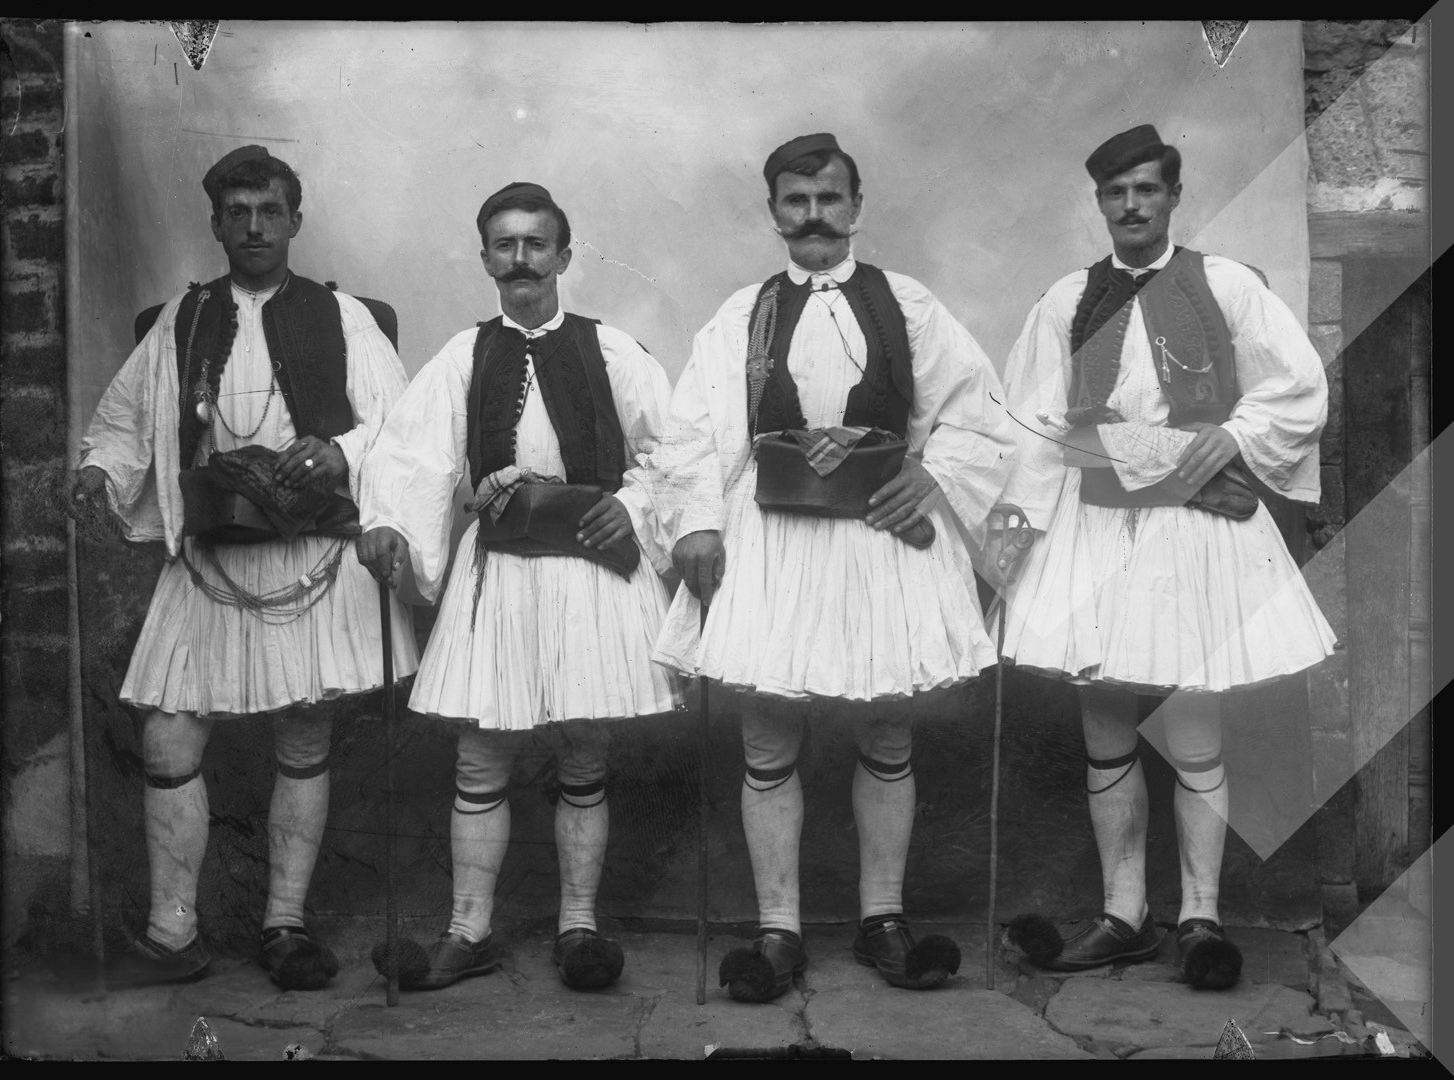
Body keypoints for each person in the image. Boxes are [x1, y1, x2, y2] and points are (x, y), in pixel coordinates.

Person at [652, 133, 1015, 1002]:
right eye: (796, 200)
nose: (813, 215)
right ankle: (777, 930)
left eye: (828, 198)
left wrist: (933, 473)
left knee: (886, 727)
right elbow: (692, 429)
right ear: (774, 212)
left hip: (877, 536)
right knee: (768, 728)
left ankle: (882, 919)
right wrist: (696, 523)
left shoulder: (908, 304)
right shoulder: (742, 314)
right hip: (773, 536)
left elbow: (977, 408)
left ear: (856, 206)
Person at [996, 125, 1336, 989]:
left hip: (1193, 531)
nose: (1132, 205)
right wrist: (1007, 546)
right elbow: (1031, 424)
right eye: (1117, 193)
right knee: (1106, 721)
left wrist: (1233, 435)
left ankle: (1199, 916)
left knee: (1191, 725)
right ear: (1100, 203)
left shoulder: (1224, 285)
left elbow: (1296, 382)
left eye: (1147, 189)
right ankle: (1124, 914)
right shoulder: (1067, 300)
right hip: (1097, 526)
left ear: (1174, 197)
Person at [72, 145, 417, 990]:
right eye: (238, 213)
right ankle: (173, 931)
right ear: (216, 224)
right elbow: (125, 420)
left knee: (303, 734)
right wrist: (100, 472)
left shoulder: (346, 318)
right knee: (168, 734)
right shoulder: (182, 320)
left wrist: (340, 452)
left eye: (269, 211)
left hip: (311, 557)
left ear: (295, 219)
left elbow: (402, 424)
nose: (254, 227)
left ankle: (285, 927)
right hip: (212, 560)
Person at [356, 182, 680, 992]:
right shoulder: (463, 356)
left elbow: (673, 450)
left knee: (582, 745)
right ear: (486, 260)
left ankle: (579, 928)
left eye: (536, 244)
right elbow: (414, 454)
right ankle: (468, 930)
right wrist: (390, 522)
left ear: (564, 256)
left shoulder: (613, 350)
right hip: (499, 566)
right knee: (480, 751)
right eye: (505, 245)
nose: (521, 259)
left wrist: (633, 507)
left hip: (588, 567)